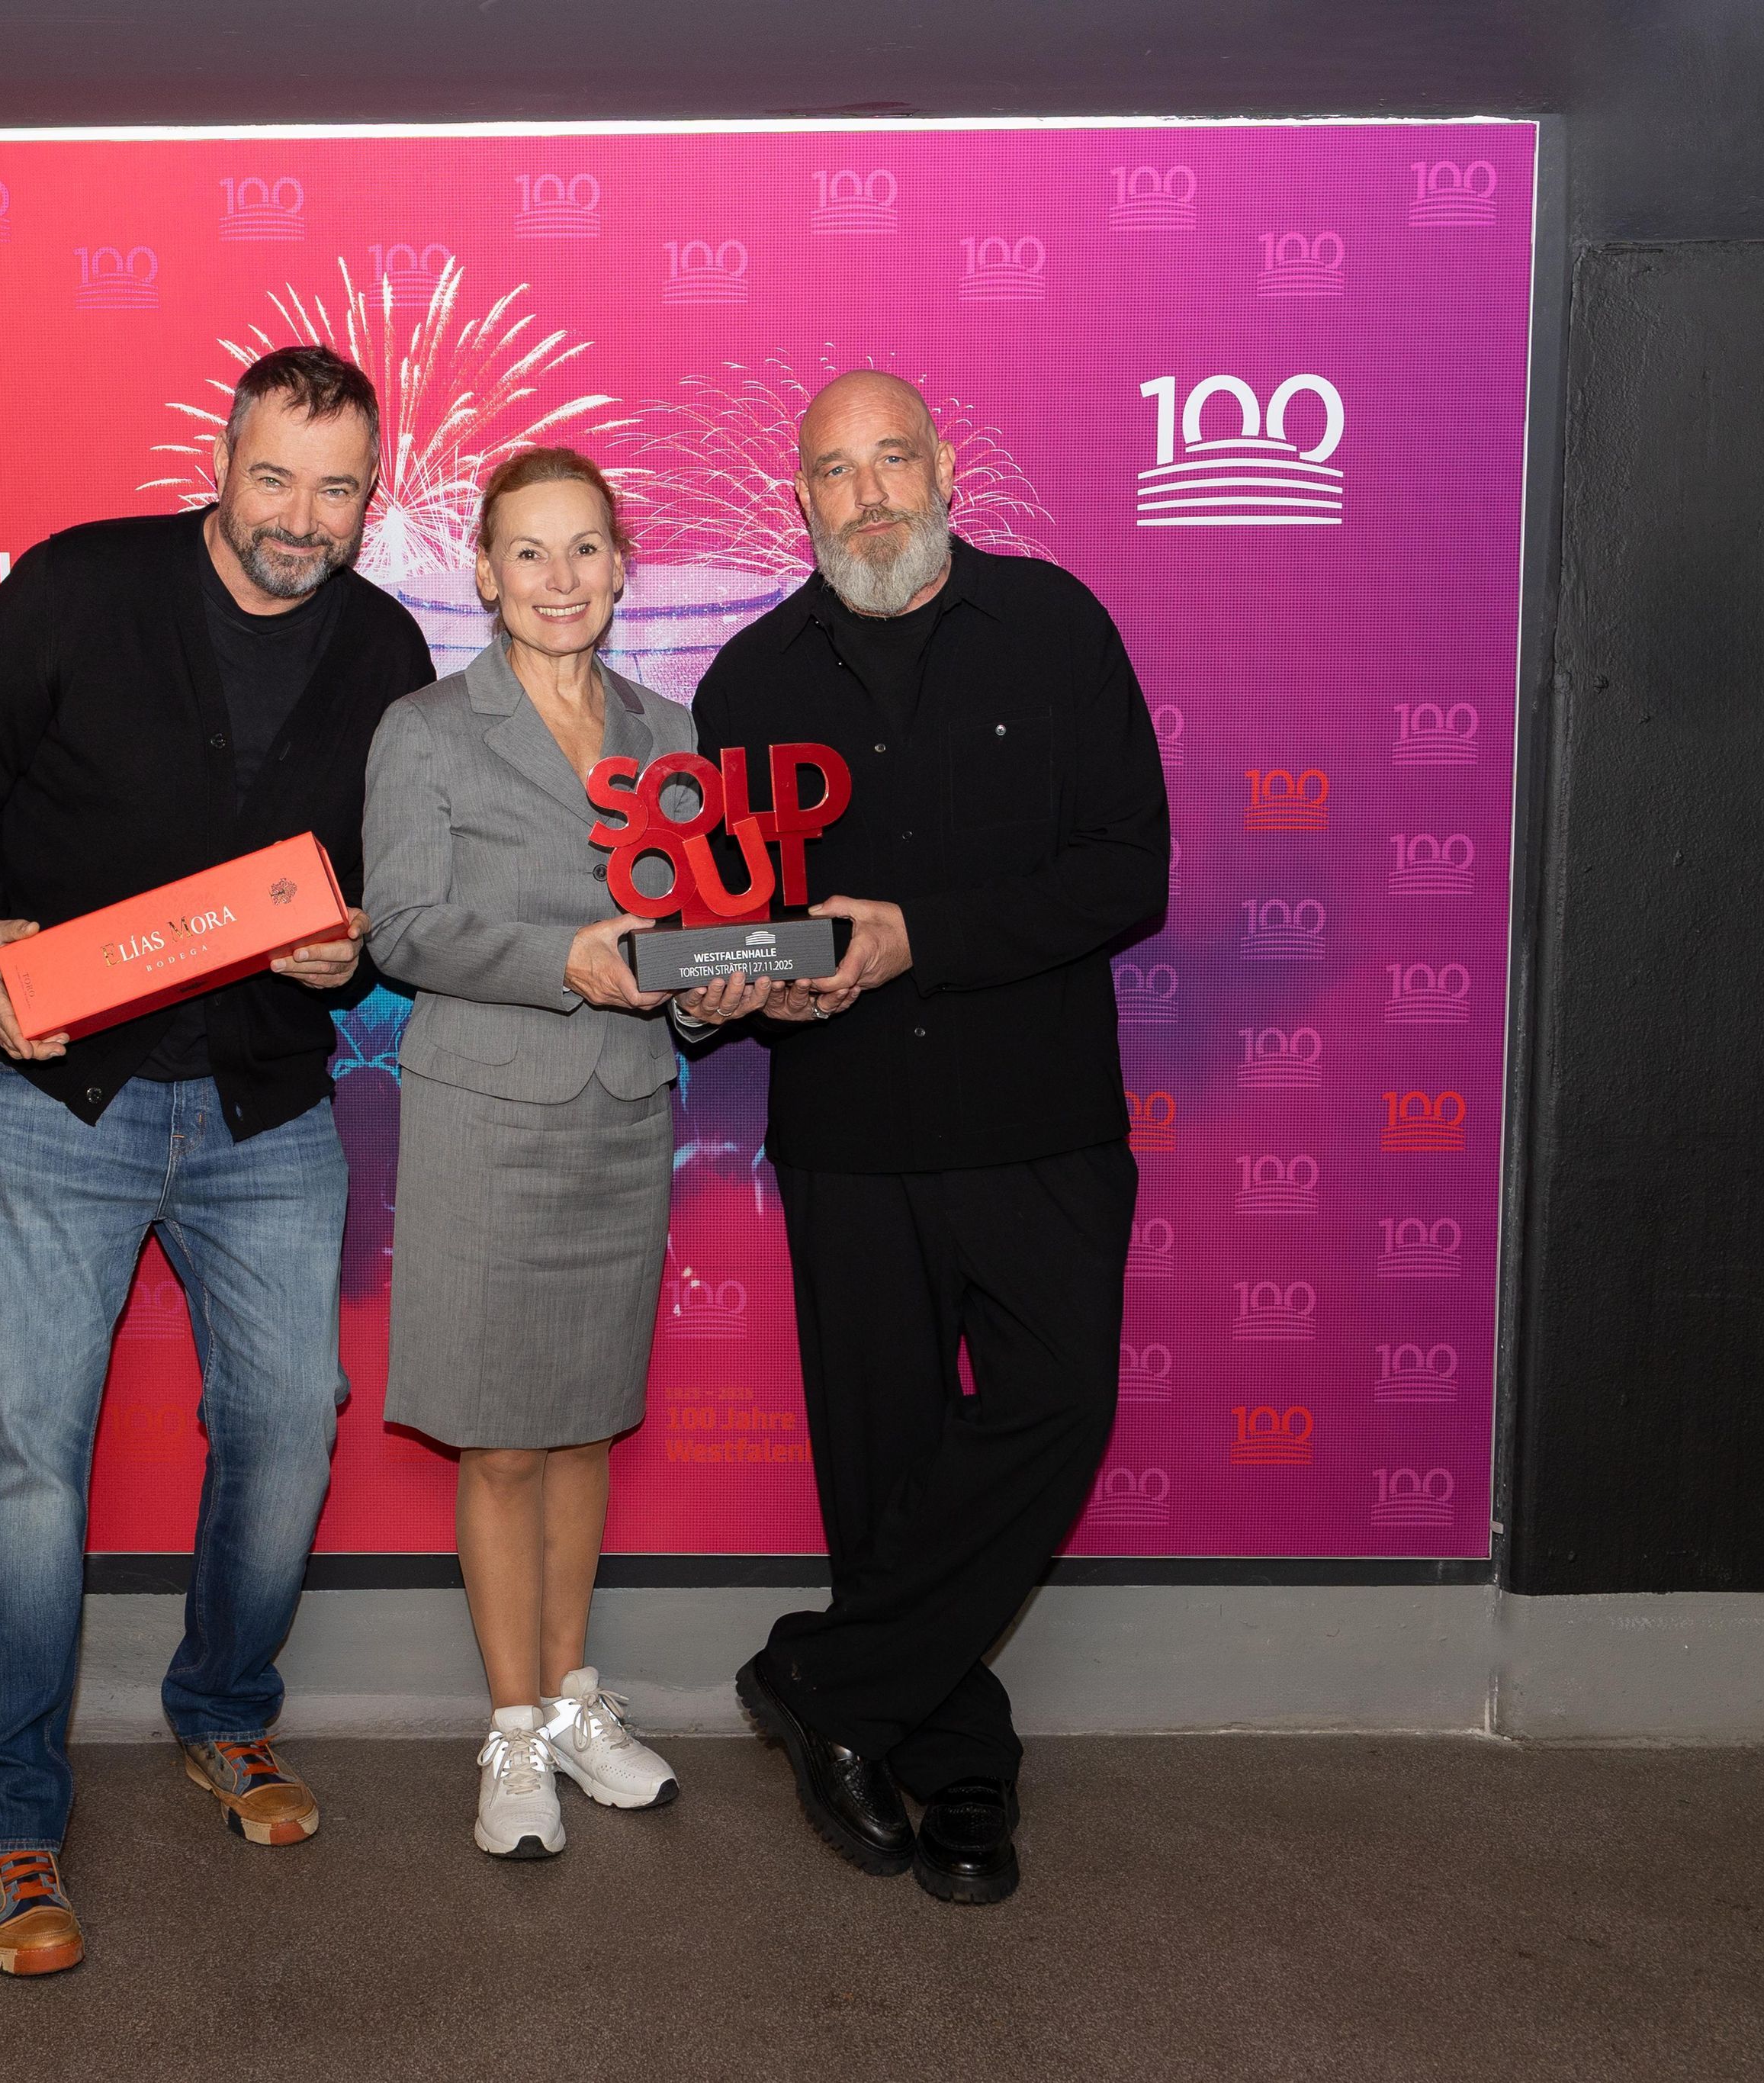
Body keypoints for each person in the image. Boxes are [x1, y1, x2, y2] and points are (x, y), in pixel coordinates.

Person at [0, 345, 433, 1976]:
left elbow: (378, 881)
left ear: (370, 493)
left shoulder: (387, 641)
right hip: (55, 1101)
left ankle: (220, 1708)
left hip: (266, 1104)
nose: (300, 519)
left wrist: (358, 955)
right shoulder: (78, 583)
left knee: (283, 1429)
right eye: (274, 478)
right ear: (221, 456)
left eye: (337, 489)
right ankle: (1, 1810)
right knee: (20, 1462)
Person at [692, 371, 1170, 1905]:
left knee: (1054, 1405)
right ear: (801, 499)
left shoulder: (1056, 624)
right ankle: (948, 1764)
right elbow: (729, 921)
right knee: (885, 1465)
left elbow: (1125, 873)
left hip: (1039, 1118)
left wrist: (921, 939)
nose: (868, 494)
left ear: (946, 469)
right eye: (833, 473)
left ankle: (825, 1684)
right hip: (849, 1132)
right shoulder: (749, 681)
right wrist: (735, 983)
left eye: (891, 458)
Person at [361, 448, 770, 1860]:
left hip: (619, 1108)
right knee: (504, 1438)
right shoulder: (424, 730)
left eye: (584, 549)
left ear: (620, 563)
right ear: (482, 572)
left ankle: (577, 1695)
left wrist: (715, 992)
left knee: (589, 1419)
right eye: (528, 554)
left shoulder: (673, 732)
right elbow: (401, 925)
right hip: (484, 1112)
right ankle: (513, 1727)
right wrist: (568, 963)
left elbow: (690, 932)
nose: (559, 580)